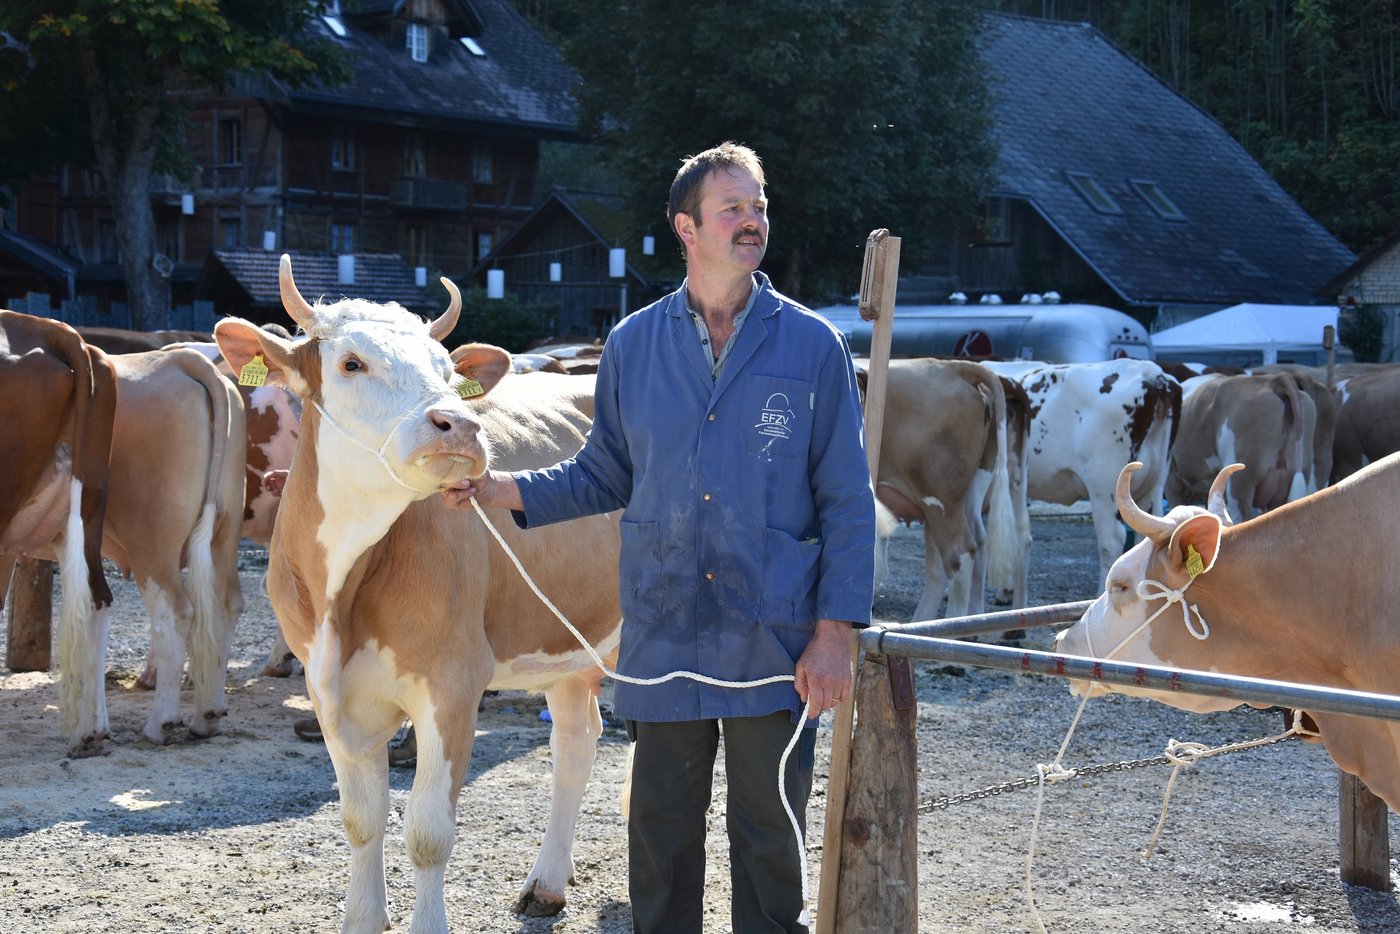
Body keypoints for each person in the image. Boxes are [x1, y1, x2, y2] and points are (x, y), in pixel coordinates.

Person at [444, 141, 875, 933]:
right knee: (660, 837)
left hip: (772, 641)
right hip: (664, 628)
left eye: (759, 207)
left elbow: (848, 500)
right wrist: (497, 488)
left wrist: (835, 632)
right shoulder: (634, 345)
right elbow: (602, 475)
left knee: (770, 837)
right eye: (733, 209)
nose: (753, 222)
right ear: (687, 226)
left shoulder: (813, 345)